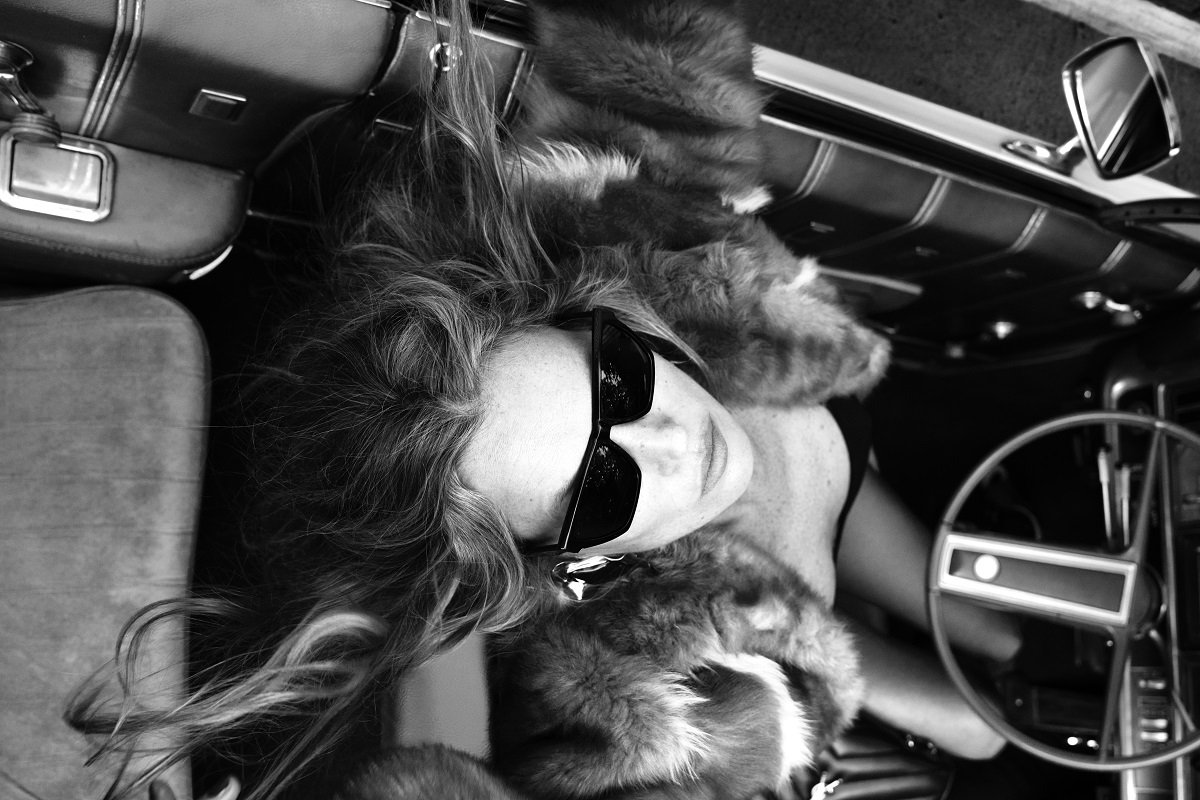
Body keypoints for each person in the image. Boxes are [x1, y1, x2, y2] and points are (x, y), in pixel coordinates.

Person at [70, 0, 1019, 797]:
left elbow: (650, 47)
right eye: (600, 488)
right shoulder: (631, 699)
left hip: (842, 476)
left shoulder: (628, 230)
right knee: (980, 731)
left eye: (619, 384)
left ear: (600, 319)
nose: (672, 444)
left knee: (995, 629)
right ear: (574, 562)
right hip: (794, 615)